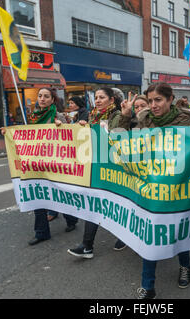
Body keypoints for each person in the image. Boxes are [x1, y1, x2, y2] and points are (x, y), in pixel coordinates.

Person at [119, 82, 190, 299]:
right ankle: (148, 286)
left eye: (158, 100)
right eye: (150, 101)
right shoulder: (143, 120)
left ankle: (185, 266)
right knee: (152, 232)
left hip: (178, 187)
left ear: (170, 99)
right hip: (151, 186)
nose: (153, 105)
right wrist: (126, 116)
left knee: (178, 228)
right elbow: (119, 140)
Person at [1, 87, 78, 245]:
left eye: (46, 96)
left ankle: (71, 218)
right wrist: (8, 133)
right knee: (38, 196)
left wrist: (60, 128)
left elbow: (70, 138)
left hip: (55, 164)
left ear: (52, 100)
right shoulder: (32, 117)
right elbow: (24, 136)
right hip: (36, 163)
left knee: (60, 194)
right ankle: (41, 232)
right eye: (40, 96)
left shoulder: (58, 116)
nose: (42, 99)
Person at [64, 87, 125, 258]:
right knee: (94, 204)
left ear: (112, 100)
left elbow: (117, 138)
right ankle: (87, 246)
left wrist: (94, 129)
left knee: (117, 206)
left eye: (102, 97)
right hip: (96, 167)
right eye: (96, 97)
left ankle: (125, 236)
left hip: (114, 168)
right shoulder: (93, 116)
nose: (97, 100)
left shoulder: (118, 116)